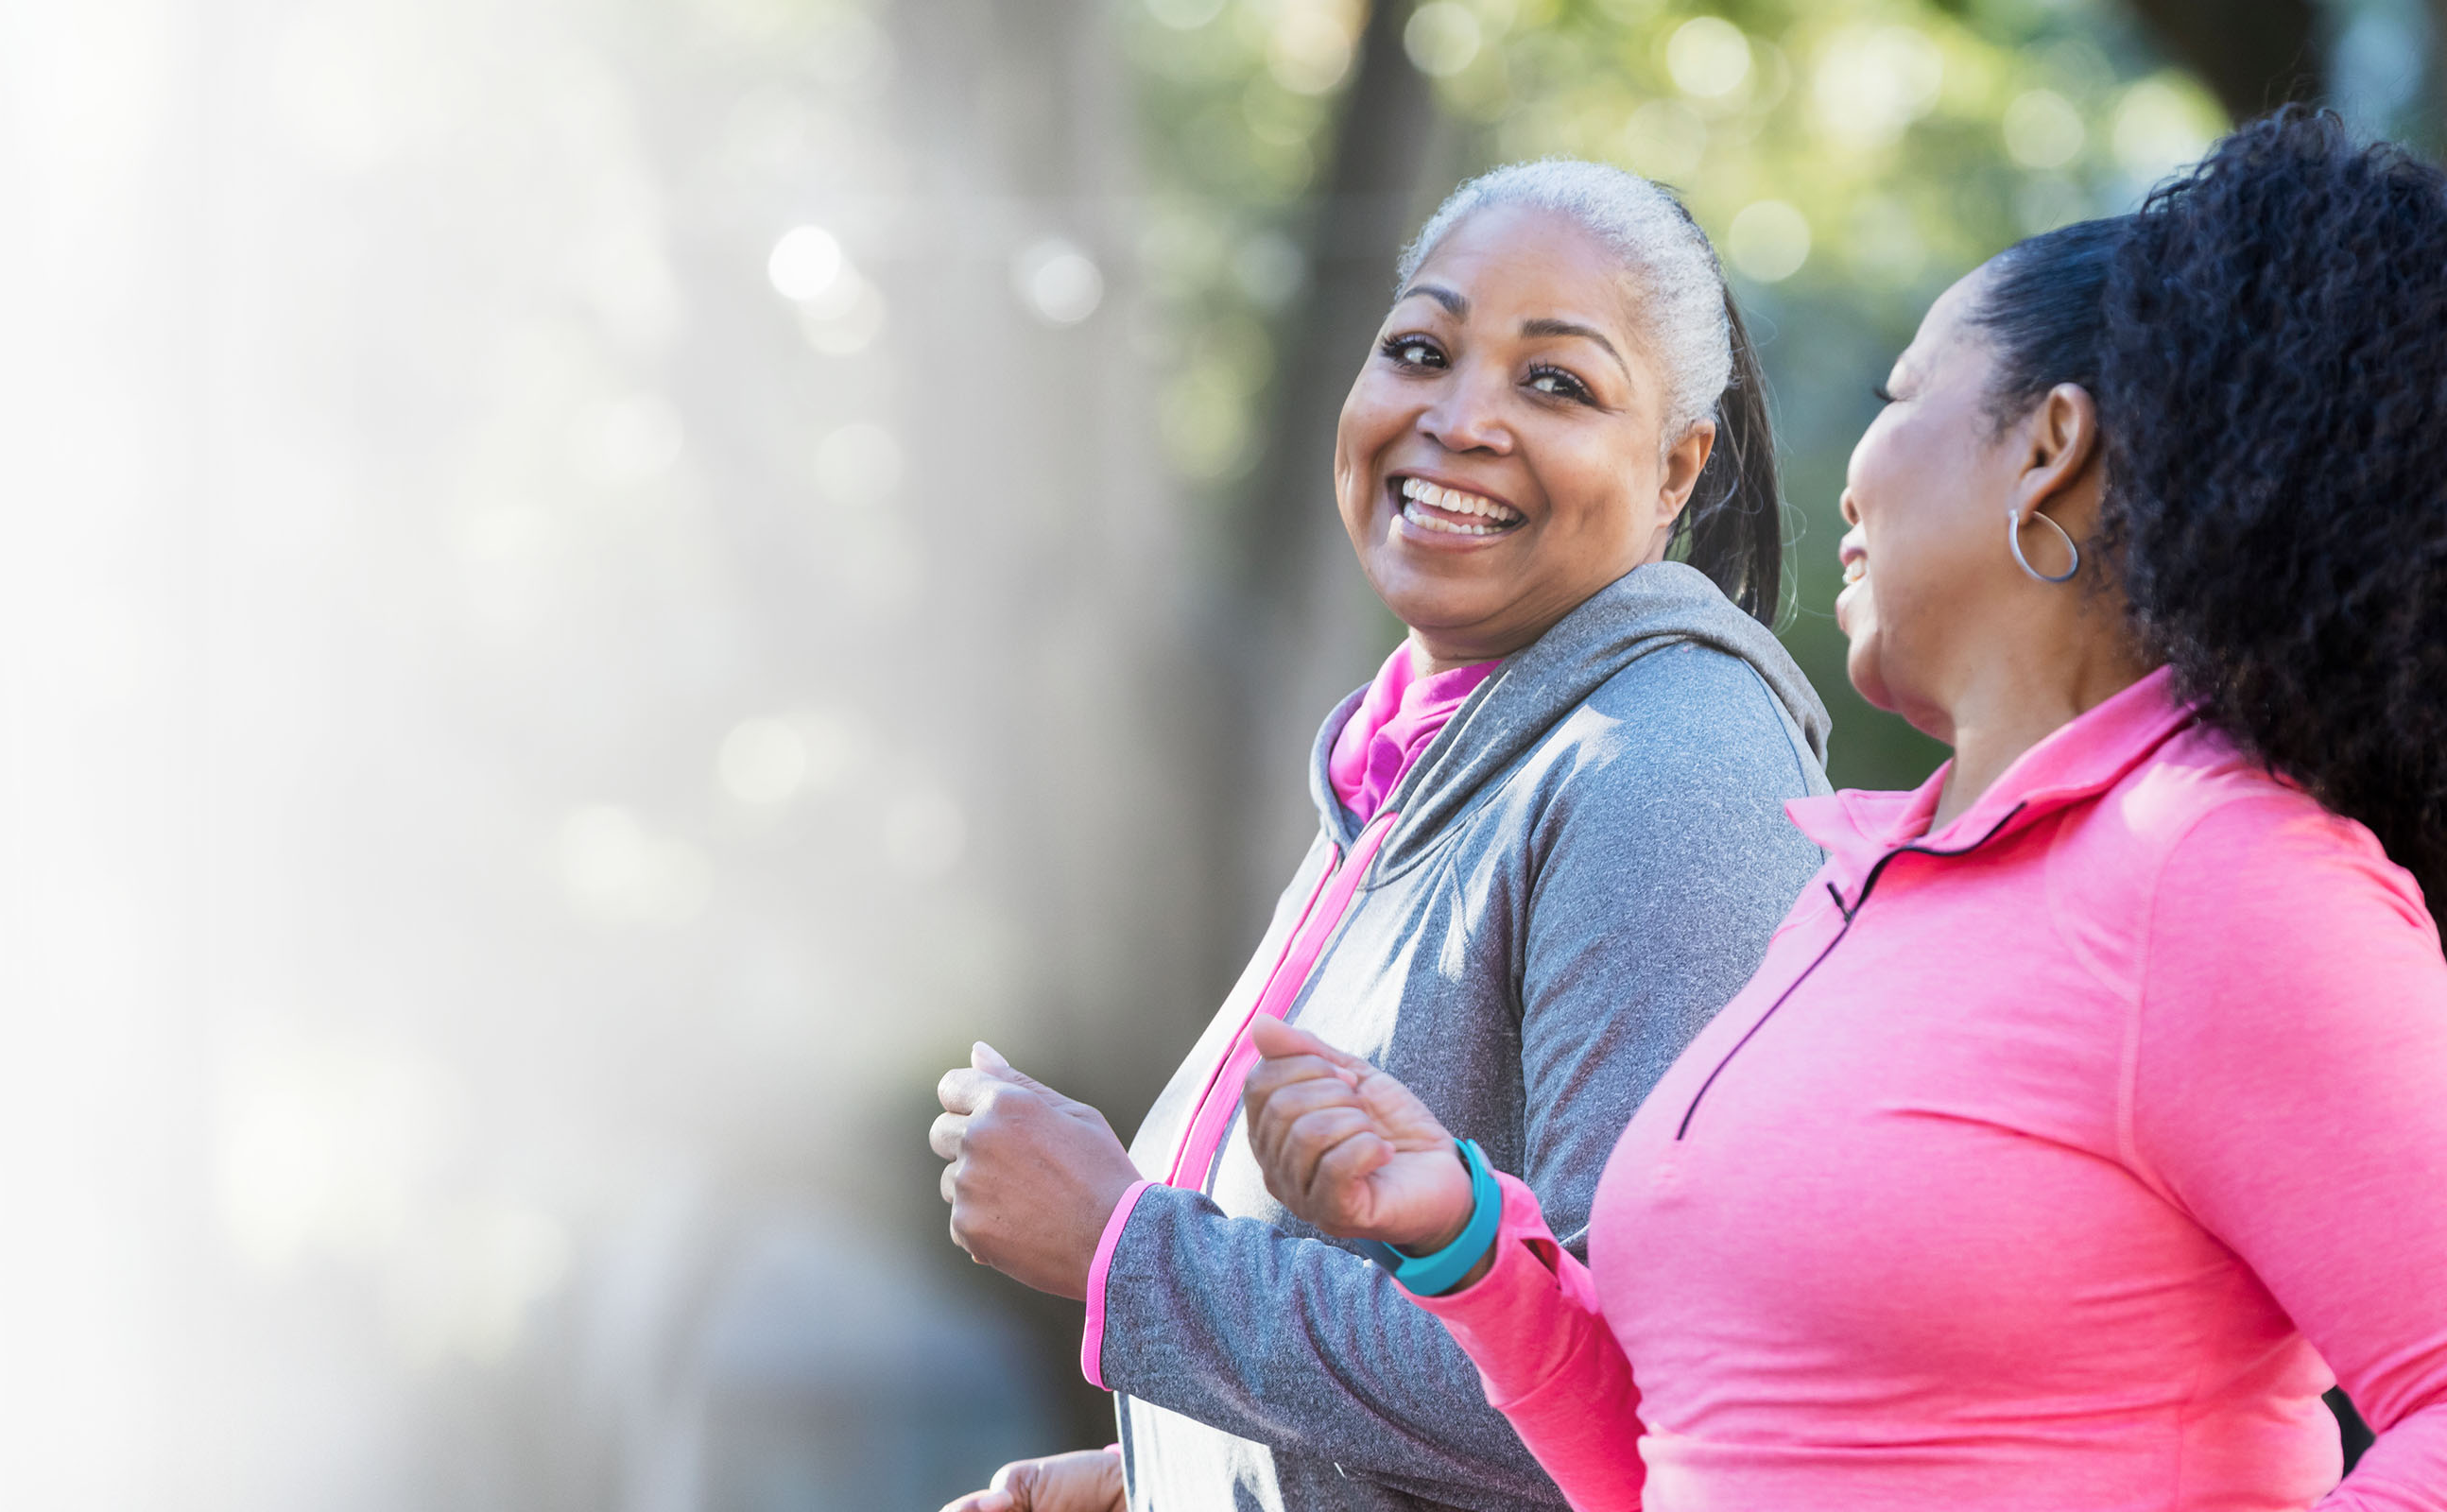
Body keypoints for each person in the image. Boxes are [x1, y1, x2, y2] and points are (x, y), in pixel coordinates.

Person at [1242, 109, 2447, 1512]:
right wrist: (1463, 1242)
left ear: (2049, 449)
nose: (1851, 479)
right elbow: (1690, 1451)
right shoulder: (1858, 891)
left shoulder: (2216, 870)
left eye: (1899, 392)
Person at [929, 162, 1833, 1512]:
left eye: (1558, 384)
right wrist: (1164, 1476)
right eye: (1421, 349)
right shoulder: (1414, 757)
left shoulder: (1668, 765)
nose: (1459, 418)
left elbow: (1631, 1400)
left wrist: (1127, 1247)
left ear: (1677, 467)